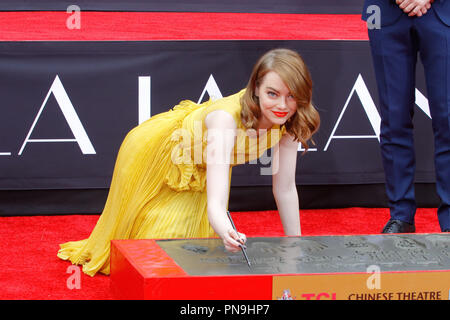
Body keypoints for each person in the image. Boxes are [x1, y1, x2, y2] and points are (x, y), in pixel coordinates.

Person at [57, 48, 320, 276]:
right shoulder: (225, 122)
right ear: (256, 90)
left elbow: (284, 188)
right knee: (152, 259)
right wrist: (227, 230)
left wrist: (294, 249)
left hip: (204, 168)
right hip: (158, 154)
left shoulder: (290, 123)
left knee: (190, 261)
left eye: (292, 96)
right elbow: (216, 206)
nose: (282, 105)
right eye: (272, 94)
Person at [362, 0, 450, 233]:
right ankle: (401, 215)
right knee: (394, 117)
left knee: (448, 118)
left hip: (443, 11)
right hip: (384, 11)